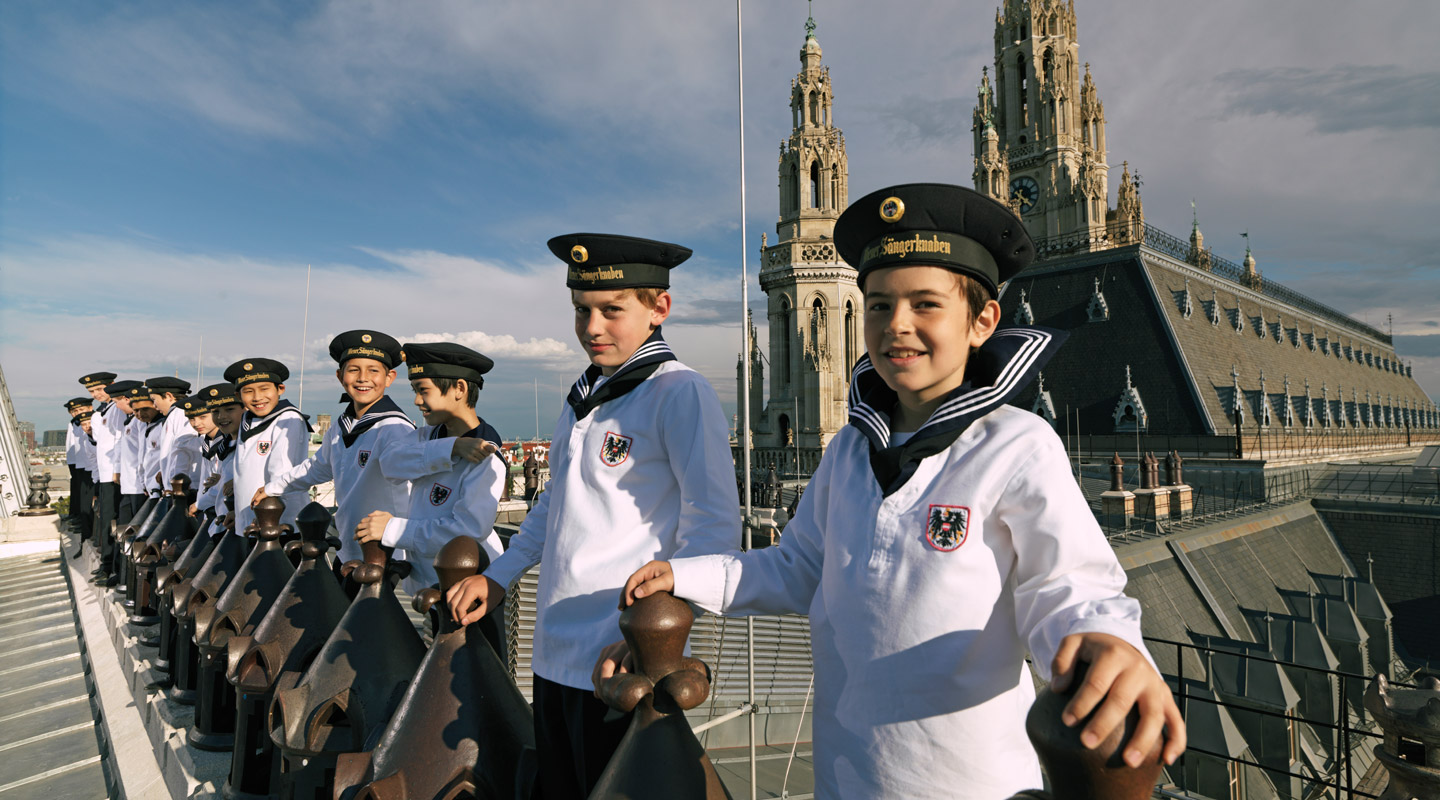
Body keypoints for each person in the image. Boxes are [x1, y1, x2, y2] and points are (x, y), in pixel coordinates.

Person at [608, 185, 1185, 799]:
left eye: (926, 304)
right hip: (845, 779)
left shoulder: (1016, 444)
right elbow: (798, 567)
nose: (897, 326)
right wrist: (686, 576)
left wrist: (1106, 643)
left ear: (982, 321)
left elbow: (1069, 587)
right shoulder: (850, 451)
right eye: (879, 307)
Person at [445, 233, 740, 799]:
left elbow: (713, 527)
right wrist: (499, 576)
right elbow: (555, 503)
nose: (592, 328)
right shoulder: (585, 397)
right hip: (555, 653)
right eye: (582, 311)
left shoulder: (678, 392)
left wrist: (659, 638)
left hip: (619, 656)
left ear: (660, 309)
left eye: (612, 310)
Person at [356, 341, 504, 596]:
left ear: (459, 388)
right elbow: (390, 463)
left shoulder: (486, 456)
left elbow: (468, 530)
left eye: (423, 390)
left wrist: (392, 529)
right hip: (426, 586)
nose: (416, 400)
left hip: (467, 589)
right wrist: (451, 448)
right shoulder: (426, 437)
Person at [254, 331, 415, 564]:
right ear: (340, 376)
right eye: (353, 370)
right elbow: (318, 467)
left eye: (373, 370)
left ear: (389, 378)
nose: (362, 378)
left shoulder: (394, 428)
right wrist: (274, 487)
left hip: (385, 551)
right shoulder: (342, 426)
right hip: (349, 546)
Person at [222, 359, 311, 530]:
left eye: (264, 389)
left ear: (280, 389)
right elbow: (248, 473)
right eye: (248, 391)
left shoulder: (287, 419)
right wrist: (240, 514)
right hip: (252, 521)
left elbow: (281, 472)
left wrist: (266, 518)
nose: (257, 398)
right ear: (238, 396)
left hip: (278, 522)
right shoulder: (248, 420)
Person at [148, 377, 203, 492]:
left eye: (154, 399)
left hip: (184, 487)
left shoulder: (182, 413)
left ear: (169, 396)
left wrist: (174, 483)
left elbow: (183, 452)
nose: (154, 405)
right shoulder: (174, 414)